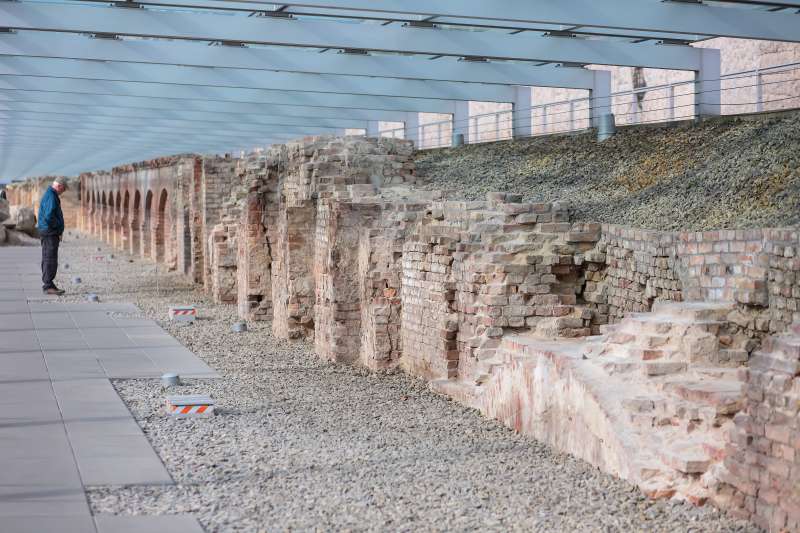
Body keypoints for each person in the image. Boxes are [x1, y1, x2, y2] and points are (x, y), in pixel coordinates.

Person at [37, 177, 68, 295]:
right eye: (63, 190)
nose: (62, 192)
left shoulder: (50, 194)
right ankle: (48, 285)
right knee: (50, 258)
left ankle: (49, 283)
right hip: (50, 232)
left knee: (47, 257)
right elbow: (49, 216)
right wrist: (57, 228)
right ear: (59, 186)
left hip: (47, 231)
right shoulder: (51, 196)